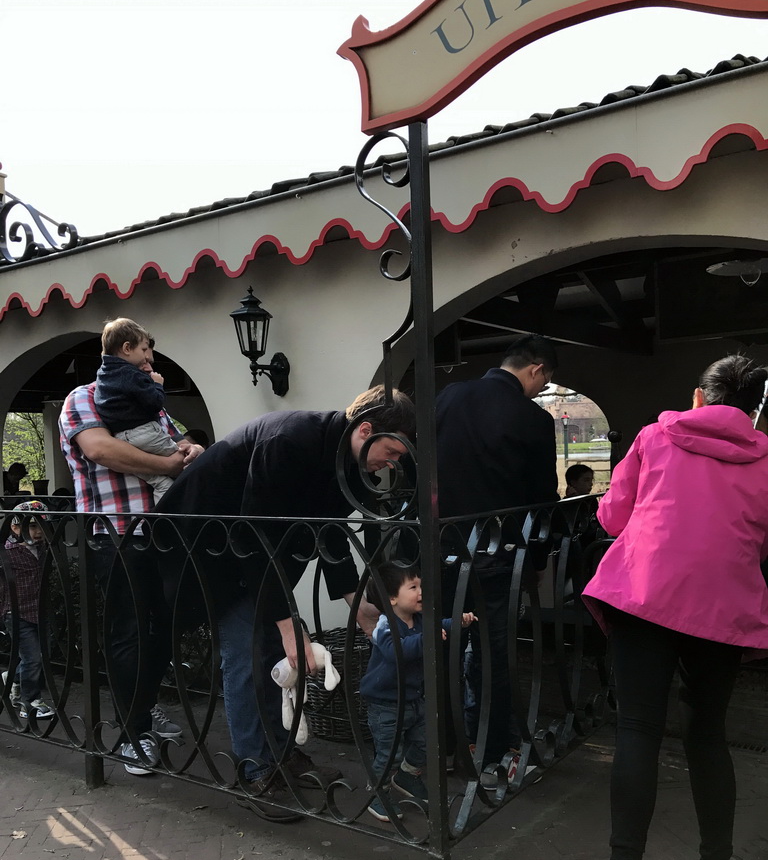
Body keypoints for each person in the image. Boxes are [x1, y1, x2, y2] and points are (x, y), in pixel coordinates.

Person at [582, 354, 768, 860]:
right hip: (722, 605)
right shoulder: (766, 459)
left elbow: (613, 516)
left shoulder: (656, 436)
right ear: (756, 408)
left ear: (697, 396)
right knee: (707, 735)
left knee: (638, 729)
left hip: (644, 593)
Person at [156, 386, 417, 804]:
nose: (393, 462)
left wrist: (358, 607)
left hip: (253, 560)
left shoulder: (349, 465)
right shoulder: (290, 440)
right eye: (393, 450)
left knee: (270, 655)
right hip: (210, 556)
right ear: (365, 430)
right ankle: (254, 770)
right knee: (248, 654)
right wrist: (288, 624)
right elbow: (252, 534)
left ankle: (278, 752)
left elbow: (330, 536)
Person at [59, 345, 202, 774]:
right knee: (130, 632)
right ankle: (132, 732)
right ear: (117, 355)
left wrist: (190, 449)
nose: (151, 367)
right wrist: (170, 465)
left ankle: (143, 704)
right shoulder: (81, 398)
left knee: (166, 627)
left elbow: (181, 437)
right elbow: (100, 450)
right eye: (143, 358)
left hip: (163, 535)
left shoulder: (148, 401)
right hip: (118, 534)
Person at [435, 334, 559, 784]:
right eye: (544, 383)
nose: (541, 390)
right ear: (536, 369)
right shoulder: (532, 419)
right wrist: (540, 557)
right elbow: (543, 498)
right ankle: (489, 756)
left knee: (444, 648)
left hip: (444, 547)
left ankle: (445, 747)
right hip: (499, 553)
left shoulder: (448, 397)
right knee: (493, 655)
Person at [360, 562, 475, 821]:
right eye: (413, 587)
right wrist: (429, 638)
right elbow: (394, 651)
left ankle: (407, 776)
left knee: (425, 743)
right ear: (392, 598)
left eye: (420, 585)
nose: (421, 591)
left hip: (414, 698)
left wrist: (458, 621)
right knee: (390, 753)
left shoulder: (421, 619)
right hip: (386, 703)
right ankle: (378, 793)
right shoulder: (385, 625)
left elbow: (439, 624)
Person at [94, 318, 180, 501]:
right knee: (189, 465)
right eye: (143, 351)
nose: (146, 361)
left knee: (161, 483)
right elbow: (155, 403)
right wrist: (157, 385)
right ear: (126, 348)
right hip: (145, 433)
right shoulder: (130, 374)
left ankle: (162, 518)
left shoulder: (104, 374)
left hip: (123, 440)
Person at [0, 500, 55, 720]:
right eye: (32, 526)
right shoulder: (7, 553)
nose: (38, 532)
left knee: (41, 655)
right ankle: (29, 701)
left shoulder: (43, 549)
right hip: (17, 613)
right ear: (15, 528)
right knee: (32, 658)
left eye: (41, 526)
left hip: (39, 611)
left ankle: (13, 679)